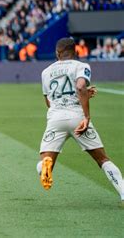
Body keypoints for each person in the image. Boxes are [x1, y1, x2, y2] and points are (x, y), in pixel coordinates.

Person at [38, 37, 123, 202]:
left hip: (56, 119)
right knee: (102, 159)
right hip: (78, 118)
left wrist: (81, 94)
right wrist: (86, 115)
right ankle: (123, 191)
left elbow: (49, 102)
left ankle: (43, 167)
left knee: (45, 162)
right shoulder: (81, 66)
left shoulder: (46, 72)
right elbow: (79, 86)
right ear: (76, 52)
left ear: (57, 53)